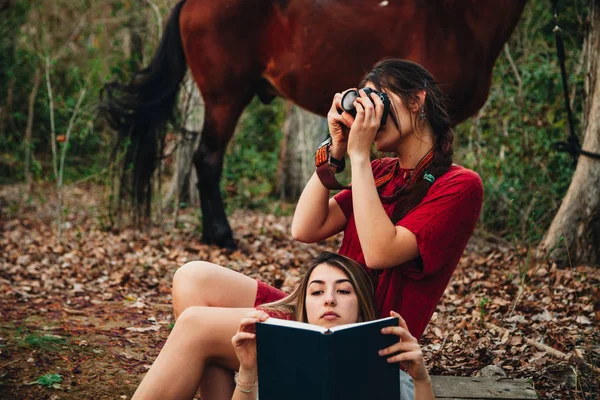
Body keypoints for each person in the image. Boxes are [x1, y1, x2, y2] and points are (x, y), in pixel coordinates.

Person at [170, 58, 483, 398]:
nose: (370, 116)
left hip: (364, 343)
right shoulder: (382, 172)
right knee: (192, 278)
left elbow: (381, 251)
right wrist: (335, 152)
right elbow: (305, 227)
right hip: (321, 314)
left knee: (198, 328)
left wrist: (360, 156)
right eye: (364, 104)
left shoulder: (460, 185)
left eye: (378, 102)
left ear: (416, 101)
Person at [132, 252, 434, 400]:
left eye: (343, 291)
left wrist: (421, 379)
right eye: (316, 292)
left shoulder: (391, 375)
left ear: (361, 307)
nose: (329, 299)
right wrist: (248, 370)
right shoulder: (274, 365)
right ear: (302, 306)